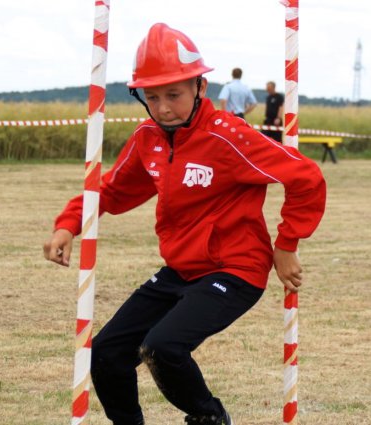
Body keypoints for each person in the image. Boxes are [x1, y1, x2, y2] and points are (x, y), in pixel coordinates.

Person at [44, 23, 326, 425]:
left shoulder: (229, 136)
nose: (162, 107)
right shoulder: (149, 138)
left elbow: (306, 178)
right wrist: (68, 224)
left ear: (199, 87)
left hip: (235, 270)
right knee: (106, 351)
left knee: (163, 347)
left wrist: (286, 245)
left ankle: (210, 418)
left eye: (173, 94)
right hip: (181, 270)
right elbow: (111, 190)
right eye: (151, 96)